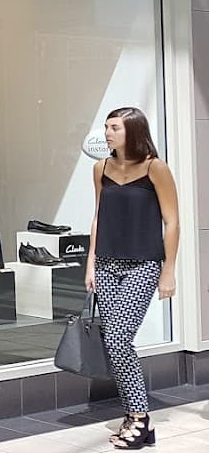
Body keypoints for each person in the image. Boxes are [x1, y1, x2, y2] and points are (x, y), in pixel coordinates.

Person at [86, 107, 180, 450]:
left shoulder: (156, 168)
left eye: (114, 128)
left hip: (143, 265)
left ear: (133, 131)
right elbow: (98, 217)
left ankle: (140, 417)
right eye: (106, 127)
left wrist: (168, 270)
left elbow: (173, 221)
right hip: (106, 265)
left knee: (119, 338)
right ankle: (134, 416)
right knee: (115, 343)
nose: (107, 133)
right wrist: (90, 263)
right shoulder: (101, 168)